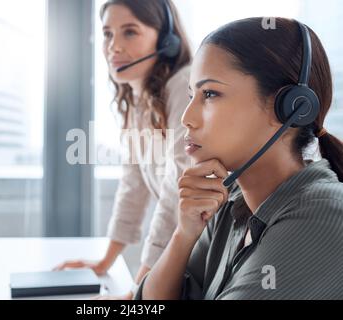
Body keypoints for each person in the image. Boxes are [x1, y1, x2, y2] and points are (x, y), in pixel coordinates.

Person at [137, 17, 343, 300]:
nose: (187, 118)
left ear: (290, 108)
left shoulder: (324, 215)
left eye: (210, 94)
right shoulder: (229, 198)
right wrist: (184, 234)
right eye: (191, 95)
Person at [55, 0, 192, 299]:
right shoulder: (137, 99)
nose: (113, 47)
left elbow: (177, 190)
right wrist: (105, 261)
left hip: (213, 247)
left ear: (166, 40)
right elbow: (134, 185)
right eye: (107, 34)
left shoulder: (184, 86)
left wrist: (137, 290)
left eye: (129, 32)